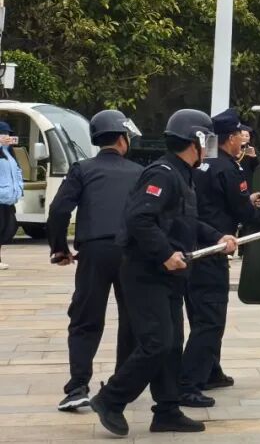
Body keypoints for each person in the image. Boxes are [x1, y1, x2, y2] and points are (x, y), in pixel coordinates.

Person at [89, 110, 238, 437]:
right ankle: (110, 398)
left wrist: (217, 237)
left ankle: (167, 411)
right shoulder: (163, 174)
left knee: (172, 345)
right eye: (206, 141)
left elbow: (187, 222)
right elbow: (139, 219)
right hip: (146, 273)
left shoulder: (183, 175)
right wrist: (165, 253)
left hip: (170, 275)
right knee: (157, 342)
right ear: (196, 140)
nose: (209, 148)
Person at [179, 109, 260, 407]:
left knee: (200, 316)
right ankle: (188, 384)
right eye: (240, 135)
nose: (243, 140)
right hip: (213, 250)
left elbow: (219, 203)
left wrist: (246, 200)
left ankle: (210, 371)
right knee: (211, 321)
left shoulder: (201, 164)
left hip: (192, 247)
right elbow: (244, 213)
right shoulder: (229, 168)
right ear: (229, 138)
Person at [47, 109, 143, 413]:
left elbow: (59, 210)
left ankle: (77, 387)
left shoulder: (82, 169)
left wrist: (59, 248)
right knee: (131, 319)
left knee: (85, 319)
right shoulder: (139, 172)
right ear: (122, 139)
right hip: (130, 252)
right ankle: (119, 388)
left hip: (94, 250)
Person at [0, 122, 22, 271]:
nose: (6, 136)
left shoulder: (9, 152)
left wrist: (19, 188)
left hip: (8, 198)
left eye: (8, 134)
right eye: (3, 133)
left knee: (6, 229)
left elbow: (17, 171)